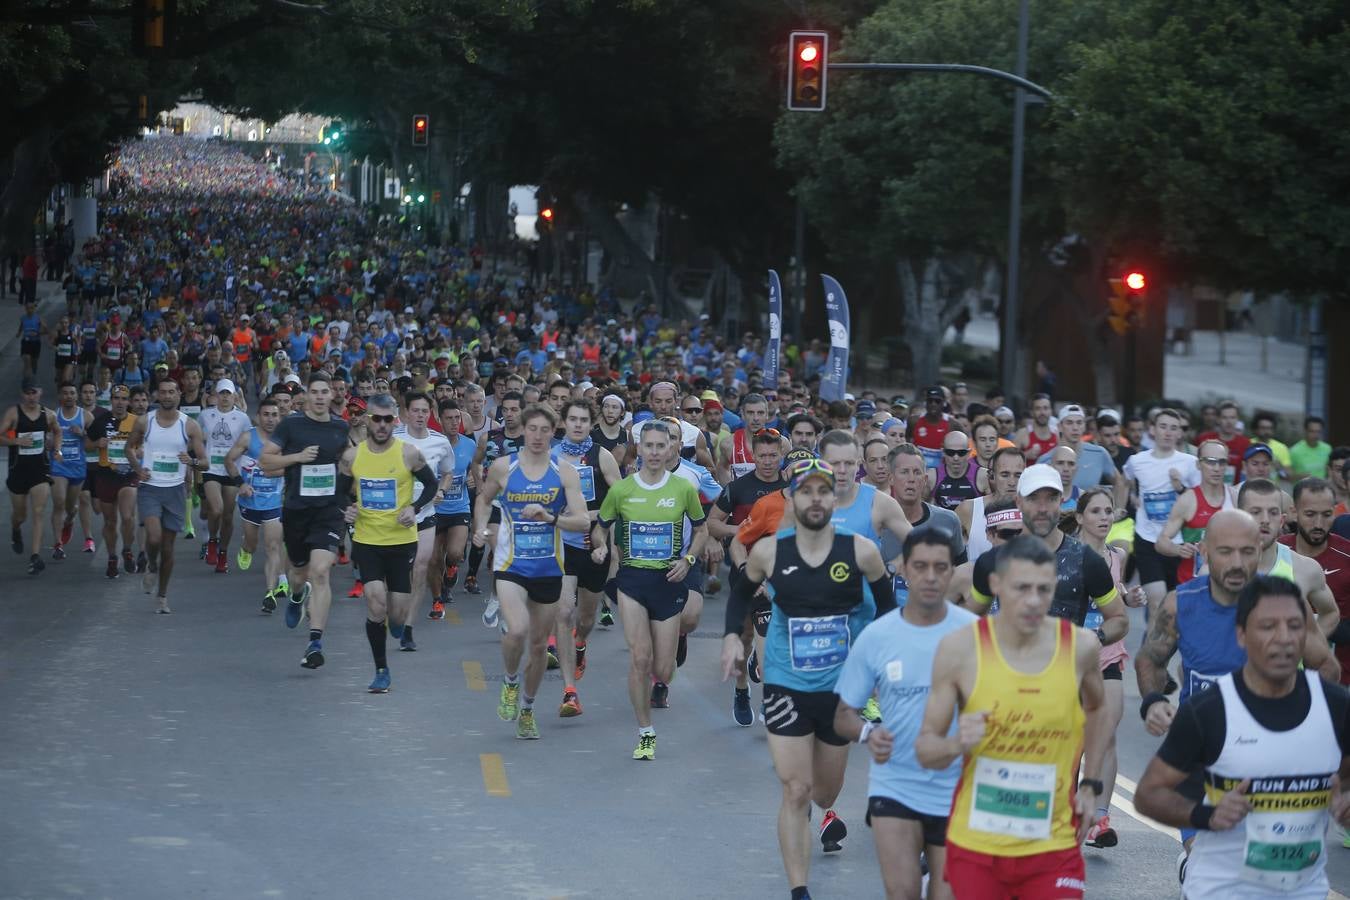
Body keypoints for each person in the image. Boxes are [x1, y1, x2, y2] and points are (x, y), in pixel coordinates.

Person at [719, 457, 891, 899]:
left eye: (824, 490)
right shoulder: (770, 551)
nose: (816, 499)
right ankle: (800, 890)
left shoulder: (861, 552)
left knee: (823, 791)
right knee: (795, 788)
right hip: (785, 682)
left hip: (840, 689)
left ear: (835, 497)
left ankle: (819, 809)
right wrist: (730, 639)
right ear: (791, 498)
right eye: (806, 491)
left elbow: (889, 613)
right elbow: (739, 596)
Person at [1134, 575, 1350, 900]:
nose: (1283, 638)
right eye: (1267, 627)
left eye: (1294, 626)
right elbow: (1148, 795)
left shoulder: (1337, 707)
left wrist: (1345, 799)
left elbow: (1345, 781)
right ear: (1241, 636)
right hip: (1221, 891)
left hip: (1305, 891)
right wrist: (1206, 815)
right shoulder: (1209, 711)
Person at [917, 536, 1109, 899]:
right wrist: (958, 742)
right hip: (978, 844)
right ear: (996, 585)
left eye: (1044, 589)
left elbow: (1098, 708)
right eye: (1022, 588)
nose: (1034, 601)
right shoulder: (960, 650)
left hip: (1052, 844)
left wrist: (1090, 785)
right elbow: (926, 749)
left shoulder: (1080, 648)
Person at [833, 527, 975, 900]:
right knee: (902, 894)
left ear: (951, 573)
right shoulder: (878, 636)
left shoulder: (975, 634)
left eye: (940, 568)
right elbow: (843, 714)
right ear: (904, 571)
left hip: (957, 789)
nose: (930, 576)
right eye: (921, 566)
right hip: (895, 785)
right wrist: (867, 734)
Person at [472, 404, 591, 740]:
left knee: (539, 647)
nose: (538, 436)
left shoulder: (564, 471)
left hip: (549, 568)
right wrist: (481, 527)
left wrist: (551, 517)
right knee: (517, 631)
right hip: (511, 565)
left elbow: (582, 520)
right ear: (523, 430)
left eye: (545, 430)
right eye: (533, 429)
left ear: (553, 433)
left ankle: (527, 707)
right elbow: (484, 499)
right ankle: (511, 682)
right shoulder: (503, 467)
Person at [600, 419, 708, 759]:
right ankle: (645, 731)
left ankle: (672, 643)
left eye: (662, 446)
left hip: (669, 582)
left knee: (663, 669)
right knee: (640, 659)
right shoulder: (622, 490)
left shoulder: (683, 489)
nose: (655, 452)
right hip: (632, 582)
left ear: (672, 448)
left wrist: (688, 560)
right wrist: (601, 547)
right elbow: (601, 526)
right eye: (649, 446)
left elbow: (702, 531)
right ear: (640, 449)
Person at [337, 393, 439, 693]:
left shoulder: (408, 454)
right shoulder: (352, 457)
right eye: (376, 418)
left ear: (396, 420)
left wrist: (415, 508)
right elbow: (338, 493)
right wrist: (347, 509)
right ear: (367, 419)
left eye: (387, 419)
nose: (381, 425)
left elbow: (431, 484)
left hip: (401, 541)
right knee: (375, 601)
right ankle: (381, 669)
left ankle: (396, 624)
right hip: (367, 541)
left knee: (396, 613)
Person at [1070, 488, 1147, 848]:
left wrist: (1129, 598)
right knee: (1070, 739)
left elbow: (1114, 597)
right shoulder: (1066, 554)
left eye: (1109, 511)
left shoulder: (1117, 556)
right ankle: (1066, 807)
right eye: (1096, 511)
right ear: (1080, 516)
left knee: (1107, 732)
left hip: (1107, 655)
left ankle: (1100, 819)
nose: (1104, 517)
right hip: (1070, 658)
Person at [259, 371, 352, 671]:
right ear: (308, 395)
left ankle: (315, 642)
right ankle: (297, 597)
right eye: (315, 392)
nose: (321, 396)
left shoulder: (341, 427)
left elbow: (353, 463)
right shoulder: (291, 425)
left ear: (332, 395)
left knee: (321, 572)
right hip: (297, 510)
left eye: (326, 391)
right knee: (299, 575)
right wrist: (296, 458)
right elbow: (266, 460)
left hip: (328, 512)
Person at [706, 425, 788, 726]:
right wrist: (738, 531)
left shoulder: (791, 486)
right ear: (752, 454)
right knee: (745, 636)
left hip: (782, 575)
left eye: (773, 455)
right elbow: (713, 523)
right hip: (745, 570)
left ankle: (771, 698)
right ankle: (741, 690)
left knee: (774, 639)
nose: (767, 461)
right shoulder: (738, 488)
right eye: (762, 455)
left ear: (781, 455)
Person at [550, 398, 621, 717]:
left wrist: (593, 517)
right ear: (563, 422)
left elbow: (621, 499)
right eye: (572, 419)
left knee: (586, 618)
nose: (577, 424)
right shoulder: (551, 457)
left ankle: (580, 646)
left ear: (590, 423)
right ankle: (569, 691)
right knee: (563, 611)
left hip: (595, 542)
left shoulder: (601, 456)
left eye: (583, 420)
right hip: (561, 541)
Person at [125, 378, 208, 613]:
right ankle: (151, 565)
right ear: (157, 396)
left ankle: (162, 595)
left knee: (169, 549)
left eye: (172, 392)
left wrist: (191, 461)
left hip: (175, 490)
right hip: (150, 488)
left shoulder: (189, 425)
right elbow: (128, 448)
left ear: (179, 394)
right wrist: (138, 469)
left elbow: (205, 462)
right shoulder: (145, 422)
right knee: (153, 537)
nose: (168, 396)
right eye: (163, 392)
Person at [1120, 409, 1202, 607]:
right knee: (1157, 604)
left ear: (1180, 433)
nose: (1167, 432)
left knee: (1175, 606)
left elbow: (1199, 499)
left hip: (1179, 543)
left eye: (1173, 428)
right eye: (1163, 427)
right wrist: (1129, 499)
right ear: (1152, 430)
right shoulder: (1137, 460)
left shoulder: (1190, 463)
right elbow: (1124, 480)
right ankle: (1155, 636)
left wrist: (1180, 488)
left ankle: (1165, 637)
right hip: (1147, 539)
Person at [392, 391, 453, 651]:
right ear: (406, 413)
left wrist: (440, 490)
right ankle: (395, 611)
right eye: (415, 410)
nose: (419, 416)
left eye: (424, 411)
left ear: (431, 414)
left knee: (420, 567)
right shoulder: (393, 439)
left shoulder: (440, 442)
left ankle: (408, 627)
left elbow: (448, 473)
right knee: (396, 573)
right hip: (395, 518)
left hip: (425, 514)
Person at [1277, 478, 1350, 683]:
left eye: (1327, 515)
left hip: (1341, 679)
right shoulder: (1276, 552)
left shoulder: (1347, 556)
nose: (1319, 524)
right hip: (1285, 677)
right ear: (1294, 512)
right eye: (1310, 514)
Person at [225, 398, 287, 613]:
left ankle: (270, 592)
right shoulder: (247, 437)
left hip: (274, 502)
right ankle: (245, 548)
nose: (270, 419)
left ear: (280, 417)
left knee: (272, 546)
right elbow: (229, 460)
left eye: (274, 415)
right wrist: (240, 483)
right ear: (259, 416)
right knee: (252, 544)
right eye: (266, 414)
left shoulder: (285, 440)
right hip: (249, 501)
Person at [2, 376, 61, 574]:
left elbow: (57, 431)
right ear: (22, 394)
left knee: (38, 511)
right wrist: (16, 442)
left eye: (34, 392)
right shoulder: (14, 413)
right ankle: (16, 529)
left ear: (40, 393)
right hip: (18, 470)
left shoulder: (49, 414)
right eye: (27, 393)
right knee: (20, 515)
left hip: (40, 470)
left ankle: (35, 556)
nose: (31, 397)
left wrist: (56, 449)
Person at [1155, 438, 1233, 584]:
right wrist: (1177, 550)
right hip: (1191, 583)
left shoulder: (1234, 497)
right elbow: (1161, 542)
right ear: (1198, 464)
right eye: (1210, 461)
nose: (1216, 468)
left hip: (1225, 581)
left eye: (1221, 462)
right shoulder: (1188, 500)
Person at [427, 399, 477, 619]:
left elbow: (476, 470)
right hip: (434, 510)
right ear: (439, 419)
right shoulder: (431, 444)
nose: (454, 422)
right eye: (449, 418)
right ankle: (438, 600)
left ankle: (451, 569)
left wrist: (475, 480)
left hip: (459, 508)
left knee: (455, 553)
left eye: (457, 418)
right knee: (433, 558)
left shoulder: (469, 445)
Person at [198, 379, 251, 574]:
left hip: (232, 470)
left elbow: (247, 444)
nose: (225, 397)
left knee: (228, 516)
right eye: (222, 393)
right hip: (211, 469)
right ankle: (212, 540)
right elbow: (196, 439)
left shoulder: (243, 418)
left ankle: (223, 553)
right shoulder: (205, 415)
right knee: (217, 509)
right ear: (216, 395)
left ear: (235, 396)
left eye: (229, 393)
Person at [88, 384, 139, 579]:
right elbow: (86, 444)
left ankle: (126, 550)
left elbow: (146, 444)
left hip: (128, 475)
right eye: (116, 398)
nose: (120, 402)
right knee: (110, 521)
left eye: (124, 399)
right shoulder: (100, 421)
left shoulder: (137, 422)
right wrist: (96, 444)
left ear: (129, 402)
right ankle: (111, 557)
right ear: (111, 400)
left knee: (127, 517)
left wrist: (140, 452)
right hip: (106, 475)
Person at [48, 382, 93, 560]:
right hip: (58, 466)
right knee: (58, 502)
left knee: (70, 507)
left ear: (77, 396)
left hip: (78, 467)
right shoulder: (53, 415)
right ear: (60, 396)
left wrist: (82, 433)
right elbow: (46, 437)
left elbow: (95, 441)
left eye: (72, 393)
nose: (69, 396)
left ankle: (69, 520)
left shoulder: (86, 416)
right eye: (65, 393)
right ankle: (58, 544)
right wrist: (49, 443)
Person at [956, 446, 1024, 562]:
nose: (1012, 482)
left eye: (1018, 475)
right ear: (993, 476)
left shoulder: (1033, 512)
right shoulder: (969, 509)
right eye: (1005, 475)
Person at [1036, 404, 1121, 493]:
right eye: (1069, 423)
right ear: (1059, 427)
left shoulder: (1099, 453)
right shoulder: (1045, 460)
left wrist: (1116, 506)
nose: (1075, 428)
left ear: (1084, 426)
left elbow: (1119, 482)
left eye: (1079, 423)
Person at [1196, 401, 1251, 485]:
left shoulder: (1245, 443)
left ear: (1237, 419)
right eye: (1224, 417)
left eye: (1232, 417)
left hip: (1234, 492)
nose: (1229, 421)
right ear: (1218, 419)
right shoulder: (1204, 439)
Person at [931, 430, 981, 511]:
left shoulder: (982, 476)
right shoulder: (932, 476)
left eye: (961, 453)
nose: (956, 458)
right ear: (943, 452)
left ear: (969, 453)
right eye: (950, 452)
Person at [906, 386, 952, 470]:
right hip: (917, 471)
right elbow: (907, 442)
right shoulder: (913, 421)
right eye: (930, 401)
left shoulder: (952, 424)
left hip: (941, 474)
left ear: (944, 403)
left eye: (937, 401)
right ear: (925, 403)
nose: (933, 404)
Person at [1015, 393, 1057, 464]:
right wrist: (1025, 455)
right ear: (1032, 412)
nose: (1042, 412)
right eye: (1038, 408)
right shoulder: (1022, 434)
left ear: (1051, 411)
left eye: (1045, 408)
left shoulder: (1057, 434)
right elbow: (1010, 460)